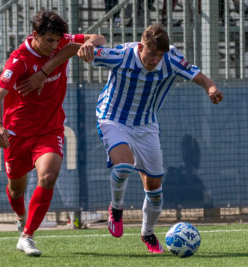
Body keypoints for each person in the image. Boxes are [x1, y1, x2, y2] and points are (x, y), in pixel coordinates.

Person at [78, 24, 223, 254]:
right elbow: (91, 48)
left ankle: (147, 233)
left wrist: (211, 87)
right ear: (141, 46)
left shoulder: (171, 58)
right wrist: (87, 48)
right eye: (152, 53)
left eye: (160, 55)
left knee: (154, 188)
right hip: (113, 119)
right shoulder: (122, 55)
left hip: (146, 126)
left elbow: (199, 75)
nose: (155, 59)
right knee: (123, 165)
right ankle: (116, 208)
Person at [0, 9, 105, 257]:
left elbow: (98, 38)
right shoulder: (19, 60)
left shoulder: (60, 42)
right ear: (35, 35)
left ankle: (27, 236)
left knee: (49, 175)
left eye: (57, 40)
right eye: (49, 40)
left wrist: (49, 70)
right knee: (16, 190)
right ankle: (21, 217)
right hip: (17, 133)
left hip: (49, 130)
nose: (54, 45)